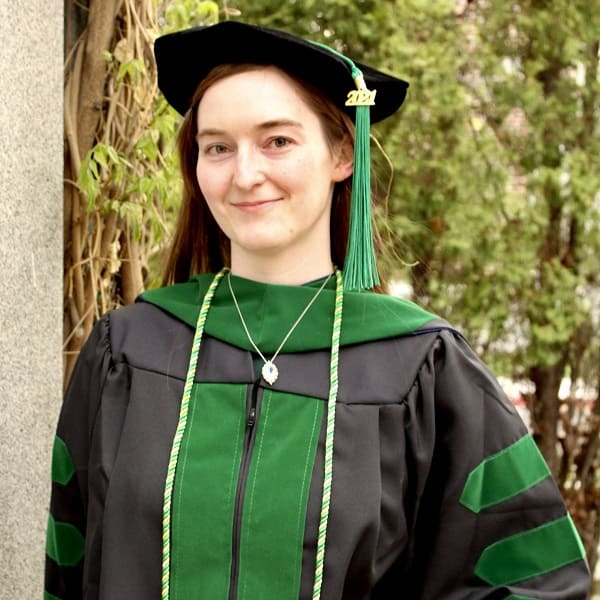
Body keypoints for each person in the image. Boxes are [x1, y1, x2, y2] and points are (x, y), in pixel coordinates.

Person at [45, 20, 591, 600]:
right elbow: (66, 573)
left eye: (277, 141)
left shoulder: (418, 367)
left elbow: (537, 582)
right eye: (217, 147)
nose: (245, 174)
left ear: (342, 155)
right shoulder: (126, 353)